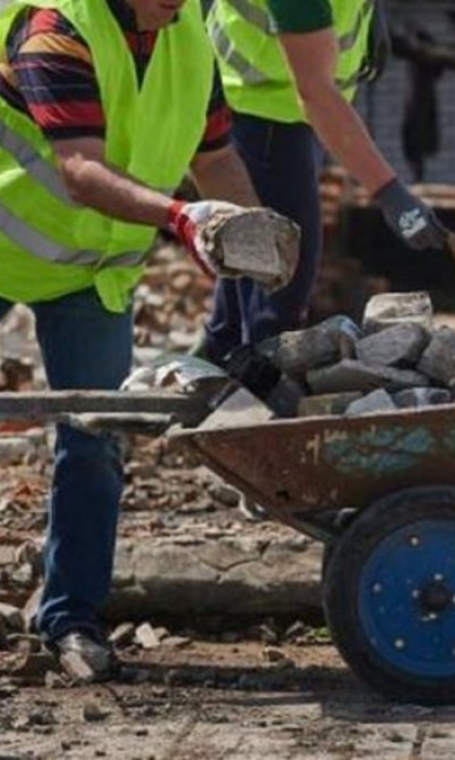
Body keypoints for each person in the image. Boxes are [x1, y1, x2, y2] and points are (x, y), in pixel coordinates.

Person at [0, 0, 264, 681]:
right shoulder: (55, 27)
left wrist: (256, 232)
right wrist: (181, 216)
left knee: (96, 440)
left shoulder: (188, 40)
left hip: (88, 273)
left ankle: (68, 619)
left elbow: (217, 156)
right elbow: (79, 170)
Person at [203, 0, 453, 362]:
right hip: (262, 110)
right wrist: (389, 192)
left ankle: (218, 361)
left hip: (285, 108)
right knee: (283, 273)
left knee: (254, 262)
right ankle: (259, 391)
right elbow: (316, 93)